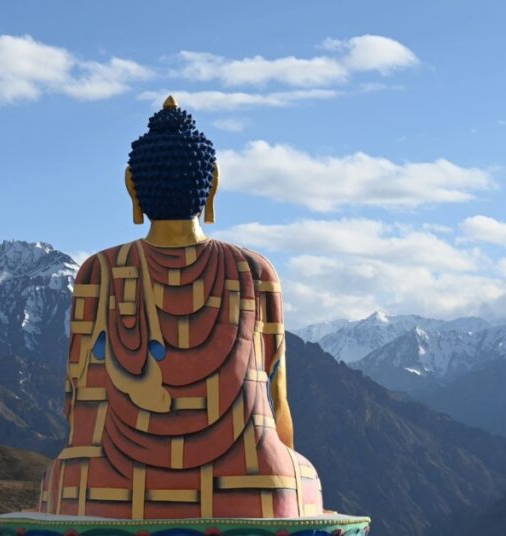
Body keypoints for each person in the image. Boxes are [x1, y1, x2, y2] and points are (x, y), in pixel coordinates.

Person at [38, 97, 324, 520]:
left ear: (132, 186)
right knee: (296, 475)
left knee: (66, 474)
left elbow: (74, 395)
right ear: (213, 184)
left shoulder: (98, 272)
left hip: (106, 481)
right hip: (250, 480)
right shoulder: (254, 271)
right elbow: (277, 397)